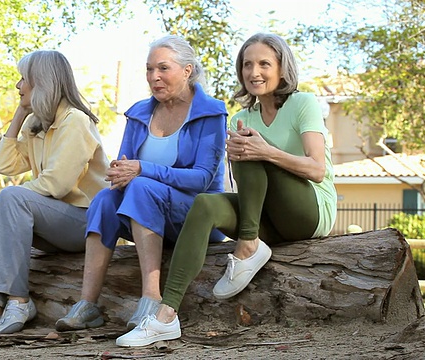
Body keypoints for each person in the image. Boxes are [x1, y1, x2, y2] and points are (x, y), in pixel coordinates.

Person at [115, 32, 338, 347]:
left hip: (309, 212)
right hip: (266, 217)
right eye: (247, 64)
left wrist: (265, 151)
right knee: (205, 204)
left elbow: (317, 169)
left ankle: (247, 245)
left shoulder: (303, 103)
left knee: (246, 145)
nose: (254, 72)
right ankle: (165, 315)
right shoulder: (242, 117)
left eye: (264, 64)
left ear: (282, 69)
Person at [55, 35, 228, 332]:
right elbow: (127, 165)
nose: (154, 77)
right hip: (148, 213)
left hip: (196, 217)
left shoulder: (211, 112)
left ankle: (151, 297)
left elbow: (202, 179)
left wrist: (141, 170)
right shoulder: (138, 113)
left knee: (141, 186)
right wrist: (119, 172)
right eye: (149, 70)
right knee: (104, 199)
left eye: (163, 68)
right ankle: (87, 304)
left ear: (187, 70)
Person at [0, 50, 109, 335]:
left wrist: (17, 200)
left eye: (24, 79)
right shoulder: (37, 124)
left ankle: (20, 300)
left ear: (43, 82)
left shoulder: (75, 121)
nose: (18, 85)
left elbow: (57, 185)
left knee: (10, 198)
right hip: (54, 221)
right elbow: (4, 164)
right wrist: (21, 113)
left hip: (88, 224)